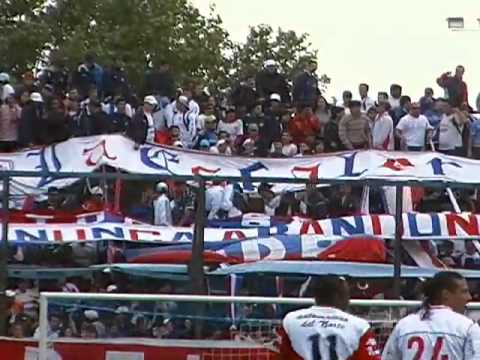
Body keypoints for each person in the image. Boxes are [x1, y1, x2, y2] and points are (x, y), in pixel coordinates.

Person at [382, 271, 480, 359]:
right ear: (445, 294)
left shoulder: (404, 325)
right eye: (464, 291)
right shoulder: (467, 327)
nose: (469, 297)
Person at [278, 275, 380, 360]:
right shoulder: (358, 327)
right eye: (347, 294)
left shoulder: (291, 321)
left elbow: (280, 355)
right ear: (338, 296)